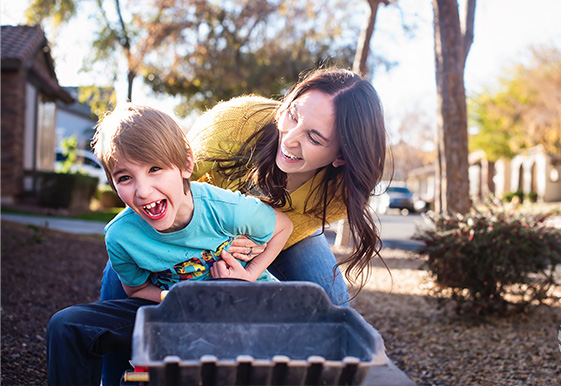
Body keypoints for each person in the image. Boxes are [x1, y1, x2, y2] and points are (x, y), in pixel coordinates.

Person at [98, 67, 388, 384]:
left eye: (314, 137)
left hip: (275, 233)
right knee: (124, 264)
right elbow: (173, 188)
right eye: (292, 115)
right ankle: (112, 377)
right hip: (200, 225)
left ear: (341, 157)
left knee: (329, 296)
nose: (289, 139)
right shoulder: (234, 124)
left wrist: (249, 273)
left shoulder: (338, 192)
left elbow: (289, 229)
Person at [47, 104, 292, 386]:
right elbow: (137, 290)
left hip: (242, 308)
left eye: (155, 168)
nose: (143, 191)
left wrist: (249, 275)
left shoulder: (226, 209)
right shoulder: (120, 236)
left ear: (186, 164)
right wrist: (178, 298)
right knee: (66, 326)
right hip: (177, 310)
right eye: (125, 177)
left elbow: (283, 226)